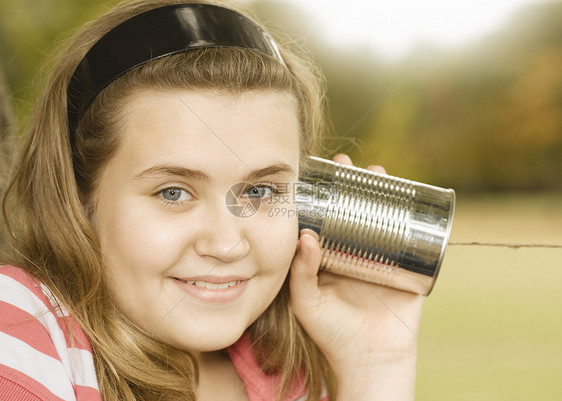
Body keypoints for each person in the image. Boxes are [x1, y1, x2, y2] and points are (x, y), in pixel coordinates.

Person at [0, 1, 423, 400]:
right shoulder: (21, 327)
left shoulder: (288, 376)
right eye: (174, 193)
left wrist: (374, 365)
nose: (226, 245)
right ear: (78, 195)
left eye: (259, 191)